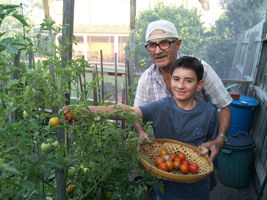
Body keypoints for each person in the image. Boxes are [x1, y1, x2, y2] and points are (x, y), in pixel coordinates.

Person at [64, 56, 218, 200]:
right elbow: (127, 111)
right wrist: (85, 111)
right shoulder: (161, 107)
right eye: (176, 79)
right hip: (165, 188)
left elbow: (210, 144)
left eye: (188, 81)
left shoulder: (209, 112)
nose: (180, 85)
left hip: (197, 189)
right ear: (170, 81)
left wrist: (208, 149)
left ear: (199, 85)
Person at [134, 19, 232, 161]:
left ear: (177, 44)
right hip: (165, 158)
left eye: (164, 43)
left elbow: (224, 105)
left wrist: (220, 139)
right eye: (151, 45)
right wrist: (141, 132)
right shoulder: (146, 79)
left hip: (198, 155)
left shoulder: (200, 69)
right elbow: (137, 115)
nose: (157, 51)